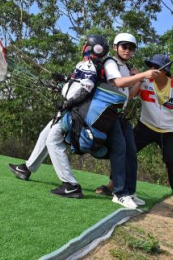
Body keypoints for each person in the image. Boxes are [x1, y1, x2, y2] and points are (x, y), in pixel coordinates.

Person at [7, 35, 110, 198]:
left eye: (85, 45)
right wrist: (62, 79)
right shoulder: (89, 65)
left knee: (53, 140)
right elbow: (77, 82)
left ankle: (71, 185)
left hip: (74, 111)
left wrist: (67, 104)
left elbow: (86, 89)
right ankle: (26, 169)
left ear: (88, 48)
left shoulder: (91, 65)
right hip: (72, 109)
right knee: (45, 135)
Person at [125, 54, 173, 217]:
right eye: (150, 66)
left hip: (170, 132)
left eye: (155, 67)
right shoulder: (145, 82)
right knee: (125, 151)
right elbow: (130, 96)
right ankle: (112, 184)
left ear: (165, 71)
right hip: (146, 126)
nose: (151, 69)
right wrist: (138, 78)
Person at [97, 33, 159, 210]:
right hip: (109, 113)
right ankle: (119, 193)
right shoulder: (111, 63)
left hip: (121, 114)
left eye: (132, 48)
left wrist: (141, 78)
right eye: (125, 46)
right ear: (116, 47)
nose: (128, 51)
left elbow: (130, 94)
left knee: (131, 150)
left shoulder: (126, 67)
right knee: (120, 149)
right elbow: (118, 82)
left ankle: (129, 192)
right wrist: (141, 75)